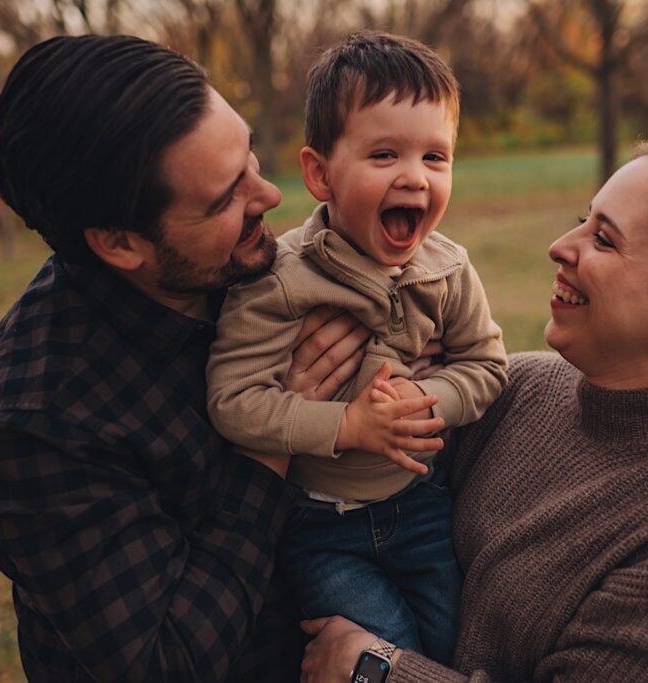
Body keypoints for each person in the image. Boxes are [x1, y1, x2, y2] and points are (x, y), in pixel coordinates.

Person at [299, 129, 648, 682]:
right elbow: (347, 517)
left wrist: (377, 672)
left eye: (604, 240)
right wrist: (309, 412)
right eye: (584, 219)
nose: (561, 245)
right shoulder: (519, 390)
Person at [0, 34, 371, 682]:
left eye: (249, 156)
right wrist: (273, 435)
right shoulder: (38, 424)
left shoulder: (252, 275)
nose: (269, 197)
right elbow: (162, 660)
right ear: (121, 243)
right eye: (225, 196)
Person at [206, 32, 507, 663]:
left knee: (454, 647)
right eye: (384, 154)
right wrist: (348, 423)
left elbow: (486, 367)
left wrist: (426, 398)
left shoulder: (447, 270)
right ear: (320, 174)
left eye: (435, 157)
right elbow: (234, 402)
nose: (415, 177)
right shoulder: (282, 280)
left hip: (422, 507)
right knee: (382, 648)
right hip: (322, 527)